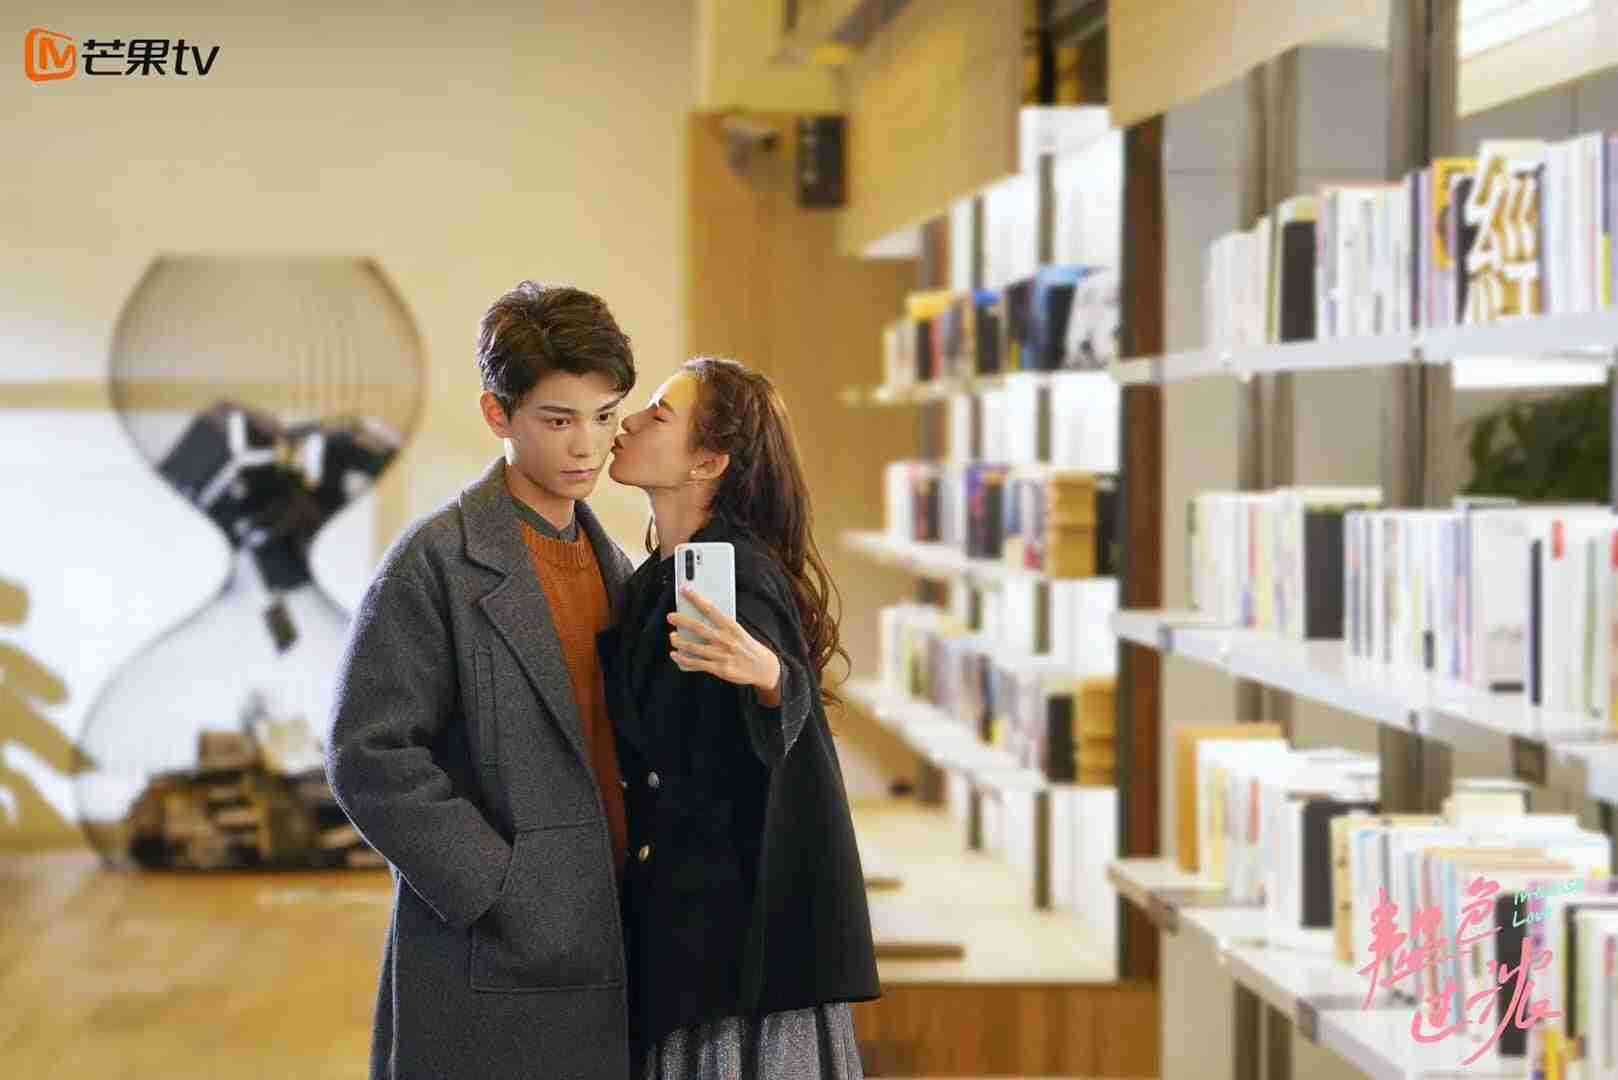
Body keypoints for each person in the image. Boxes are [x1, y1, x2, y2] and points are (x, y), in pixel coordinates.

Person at [325, 281, 640, 1080]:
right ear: (498, 415)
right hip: (491, 949)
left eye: (605, 417)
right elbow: (370, 757)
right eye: (558, 420)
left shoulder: (618, 567)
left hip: (617, 933)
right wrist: (503, 891)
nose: (587, 447)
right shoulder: (434, 561)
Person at [600, 356, 880, 1079]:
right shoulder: (658, 575)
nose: (630, 421)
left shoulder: (738, 571)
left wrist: (773, 680)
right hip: (698, 933)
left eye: (659, 414)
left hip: (740, 959)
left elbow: (785, 726)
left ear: (709, 461)